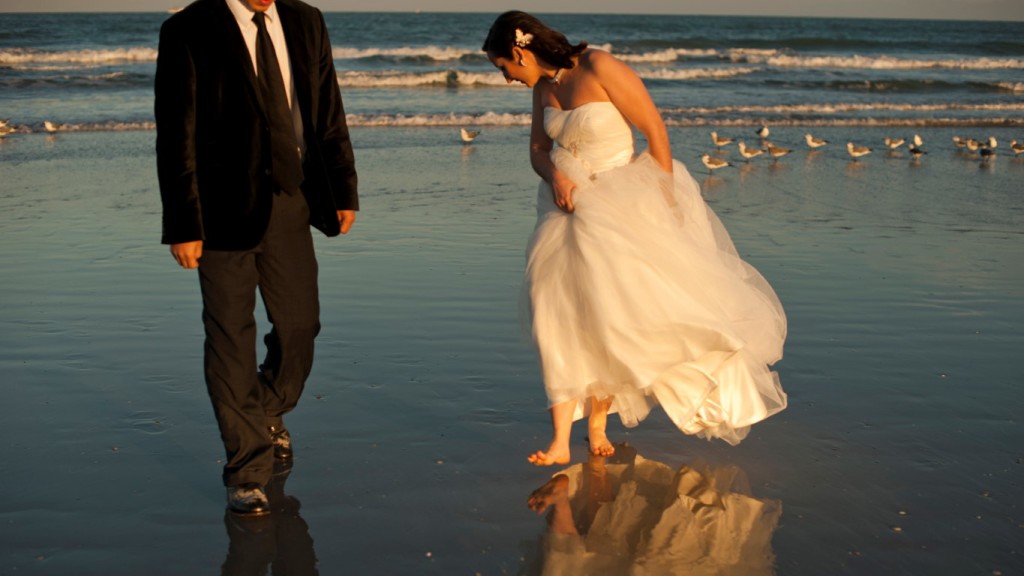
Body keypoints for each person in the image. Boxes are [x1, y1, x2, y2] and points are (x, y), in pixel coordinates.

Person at [482, 11, 787, 466]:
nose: (505, 77)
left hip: (617, 208)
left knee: (610, 319)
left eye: (503, 66)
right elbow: (537, 150)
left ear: (520, 50)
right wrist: (555, 178)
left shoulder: (599, 66)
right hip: (561, 213)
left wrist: (668, 201)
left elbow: (655, 131)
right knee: (557, 319)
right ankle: (561, 439)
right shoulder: (543, 89)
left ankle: (600, 424)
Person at [155, 0, 358, 515]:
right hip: (219, 213)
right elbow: (175, 131)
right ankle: (246, 468)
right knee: (229, 336)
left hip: (293, 201)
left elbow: (326, 109)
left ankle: (267, 409)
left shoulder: (307, 21)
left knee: (299, 326)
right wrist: (183, 222)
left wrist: (343, 188)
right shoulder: (187, 28)